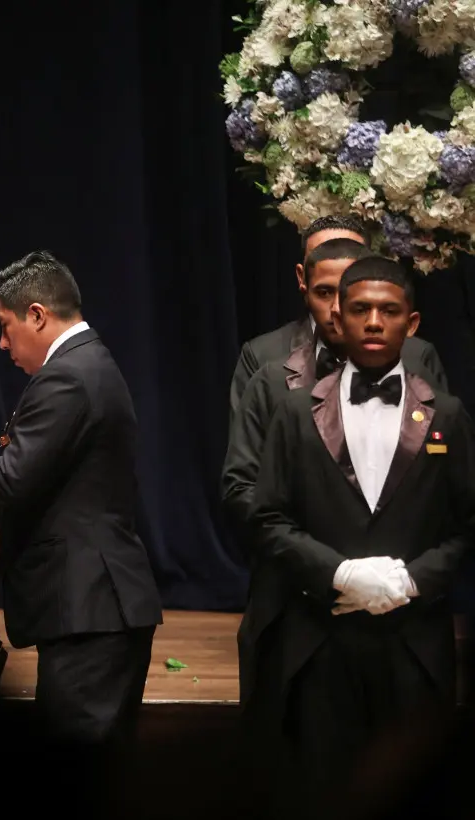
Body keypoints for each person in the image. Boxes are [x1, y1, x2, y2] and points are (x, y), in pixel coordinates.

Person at [0, 250, 163, 751]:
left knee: (79, 780)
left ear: (38, 315)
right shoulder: (86, 363)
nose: (2, 343)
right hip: (93, 609)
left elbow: (10, 479)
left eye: (6, 326)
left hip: (92, 611)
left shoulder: (68, 375)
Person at [249, 256, 475, 805]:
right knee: (320, 798)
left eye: (388, 310)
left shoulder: (446, 415)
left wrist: (412, 581)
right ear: (337, 317)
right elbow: (267, 518)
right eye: (360, 309)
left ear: (412, 323)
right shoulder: (294, 411)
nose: (374, 321)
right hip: (320, 644)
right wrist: (341, 572)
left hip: (415, 646)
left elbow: (468, 522)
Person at [222, 238, 447, 709]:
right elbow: (245, 489)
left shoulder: (422, 364)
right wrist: (337, 571)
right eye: (334, 295)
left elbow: (446, 493)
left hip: (402, 617)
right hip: (299, 605)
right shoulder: (269, 371)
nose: (348, 313)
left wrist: (395, 579)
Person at [227, 214, 447, 420]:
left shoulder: (418, 357)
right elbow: (247, 457)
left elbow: (443, 446)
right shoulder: (263, 358)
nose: (337, 307)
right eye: (325, 290)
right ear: (303, 277)